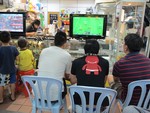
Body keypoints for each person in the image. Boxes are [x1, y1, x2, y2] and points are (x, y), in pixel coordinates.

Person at [112, 34, 150, 105]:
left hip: (128, 101)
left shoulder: (119, 64)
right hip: (146, 102)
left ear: (126, 47)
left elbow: (116, 80)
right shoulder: (148, 61)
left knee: (112, 83)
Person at [70, 39, 109, 107]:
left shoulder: (76, 62)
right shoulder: (105, 62)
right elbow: (103, 81)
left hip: (80, 99)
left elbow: (73, 81)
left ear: (84, 49)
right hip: (100, 100)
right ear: (98, 49)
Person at [37, 31, 72, 101]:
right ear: (65, 43)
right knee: (64, 81)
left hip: (38, 93)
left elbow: (39, 67)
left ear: (54, 41)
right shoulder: (67, 55)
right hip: (56, 96)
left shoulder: (44, 51)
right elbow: (68, 75)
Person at [0, 31, 19, 103]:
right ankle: (13, 96)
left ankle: (1, 99)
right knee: (12, 83)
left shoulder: (0, 49)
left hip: (2, 70)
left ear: (0, 40)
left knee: (1, 84)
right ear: (10, 38)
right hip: (12, 69)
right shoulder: (13, 48)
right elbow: (17, 58)